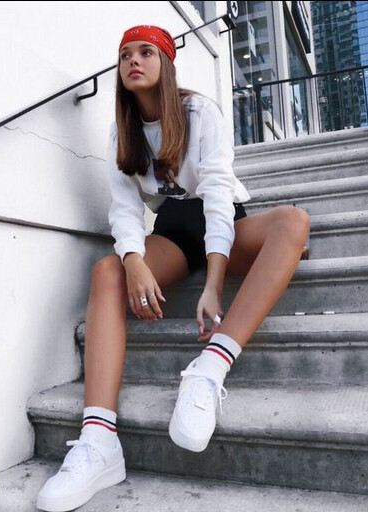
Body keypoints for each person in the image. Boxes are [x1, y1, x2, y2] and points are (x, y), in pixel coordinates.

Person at [37, 25, 310, 511]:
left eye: (146, 52)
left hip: (221, 222)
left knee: (293, 222)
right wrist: (133, 260)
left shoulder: (200, 112)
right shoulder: (122, 131)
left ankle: (209, 368)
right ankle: (99, 442)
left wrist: (214, 282)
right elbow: (124, 210)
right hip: (172, 232)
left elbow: (219, 196)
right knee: (106, 272)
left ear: (166, 63)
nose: (133, 61)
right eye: (125, 54)